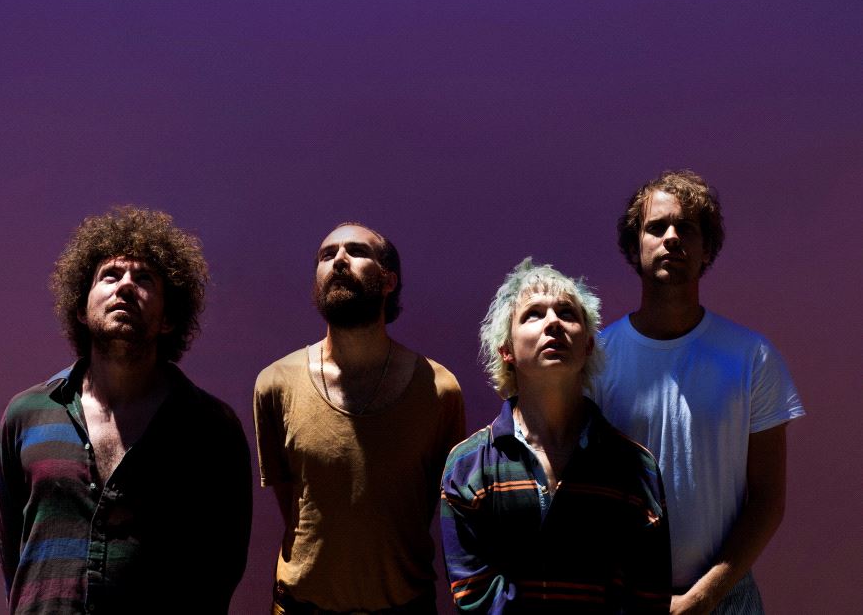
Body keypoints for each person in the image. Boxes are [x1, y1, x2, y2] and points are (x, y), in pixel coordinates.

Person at [0, 206, 252, 614]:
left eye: (144, 278)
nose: (126, 286)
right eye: (110, 276)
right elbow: (12, 546)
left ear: (168, 319)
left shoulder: (210, 427)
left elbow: (223, 564)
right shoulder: (27, 414)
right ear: (82, 308)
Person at [592, 170, 806, 613]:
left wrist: (705, 595)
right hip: (623, 596)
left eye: (686, 228)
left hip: (725, 597)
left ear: (706, 248)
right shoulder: (596, 360)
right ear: (634, 247)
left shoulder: (751, 357)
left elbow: (767, 499)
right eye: (656, 227)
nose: (671, 238)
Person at [253, 222, 466, 614]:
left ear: (388, 280)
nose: (339, 260)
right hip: (301, 606)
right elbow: (295, 503)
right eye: (326, 254)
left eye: (356, 251)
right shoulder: (274, 384)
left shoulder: (439, 389)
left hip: (403, 606)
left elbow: (439, 505)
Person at [441, 258, 672, 614]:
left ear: (588, 345)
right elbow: (474, 596)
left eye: (566, 313)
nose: (553, 323)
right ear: (506, 350)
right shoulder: (468, 465)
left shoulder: (634, 466)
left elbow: (650, 597)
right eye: (533, 314)